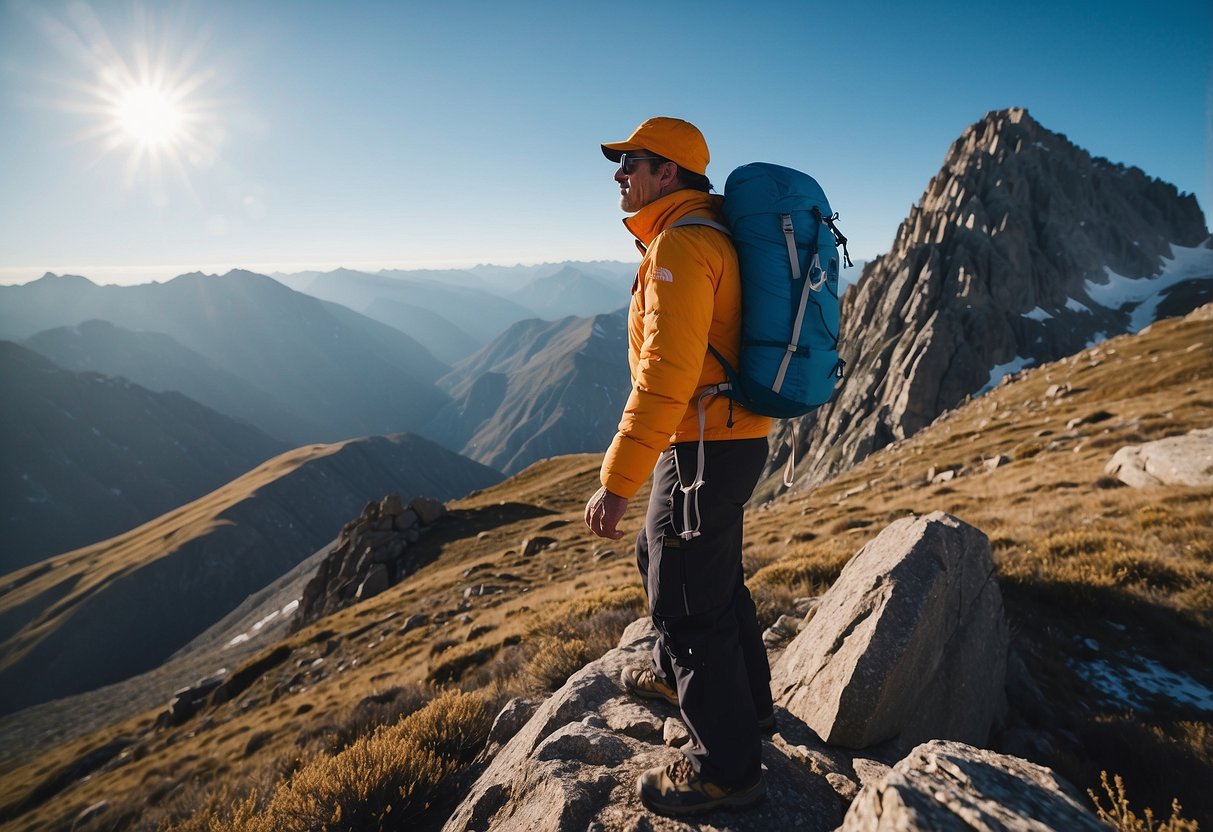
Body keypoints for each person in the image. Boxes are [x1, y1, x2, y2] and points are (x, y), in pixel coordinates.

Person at [583, 116, 774, 816]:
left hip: (699, 445)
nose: (618, 174)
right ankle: (742, 707)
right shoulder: (705, 234)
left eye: (630, 161)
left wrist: (615, 482)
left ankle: (726, 768)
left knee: (687, 602)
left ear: (668, 172)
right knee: (697, 573)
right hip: (726, 439)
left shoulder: (681, 244)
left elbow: (666, 372)